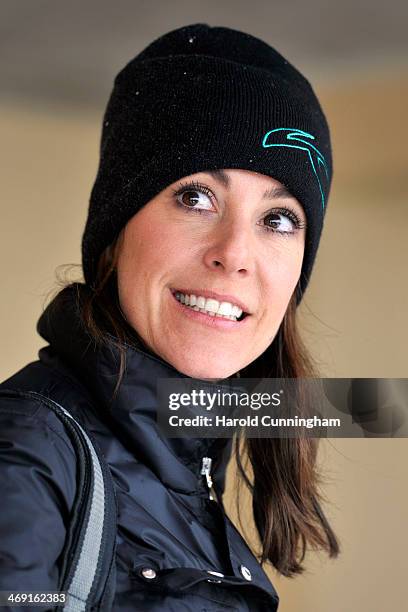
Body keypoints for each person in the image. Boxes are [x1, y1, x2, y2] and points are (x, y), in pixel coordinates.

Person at [0, 23, 340, 611]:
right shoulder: (27, 458)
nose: (234, 253)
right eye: (195, 196)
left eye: (279, 218)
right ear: (116, 228)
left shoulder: (192, 467)